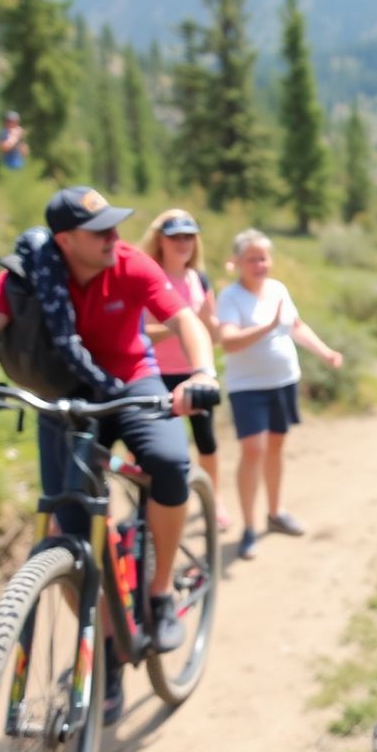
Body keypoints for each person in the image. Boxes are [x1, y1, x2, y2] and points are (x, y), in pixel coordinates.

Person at [0, 186, 219, 725]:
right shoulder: (32, 270)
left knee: (170, 465)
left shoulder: (131, 265)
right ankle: (107, 650)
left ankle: (157, 597)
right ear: (65, 241)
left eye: (115, 226)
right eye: (101, 231)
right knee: (66, 533)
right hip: (65, 396)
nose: (116, 237)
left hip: (133, 385)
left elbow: (185, 321)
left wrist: (201, 374)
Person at [216, 228, 343, 561]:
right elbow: (228, 341)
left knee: (275, 446)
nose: (260, 264)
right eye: (253, 259)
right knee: (253, 451)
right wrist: (267, 327)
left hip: (283, 382)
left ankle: (275, 513)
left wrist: (325, 352)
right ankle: (247, 527)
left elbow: (297, 327)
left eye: (264, 258)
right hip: (248, 387)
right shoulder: (230, 297)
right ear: (238, 262)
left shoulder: (278, 290)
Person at [138, 209, 232, 531]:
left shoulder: (199, 279)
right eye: (175, 236)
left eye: (189, 236)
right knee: (158, 451)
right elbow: (141, 334)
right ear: (159, 240)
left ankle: (214, 500)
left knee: (207, 442)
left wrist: (207, 321)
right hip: (156, 375)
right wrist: (181, 322)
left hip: (195, 374)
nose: (183, 243)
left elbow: (214, 336)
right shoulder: (148, 278)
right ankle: (152, 508)